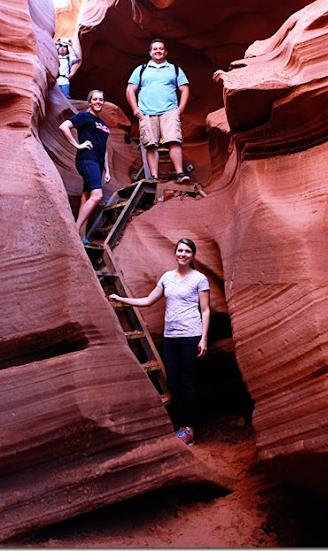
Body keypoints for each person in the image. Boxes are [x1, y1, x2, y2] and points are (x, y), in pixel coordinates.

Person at [110, 238, 210, 446]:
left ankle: (189, 429)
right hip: (170, 337)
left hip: (190, 335)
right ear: (175, 253)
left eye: (187, 251)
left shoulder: (199, 279)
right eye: (180, 250)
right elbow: (147, 300)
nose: (183, 254)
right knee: (173, 381)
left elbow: (205, 310)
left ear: (193, 255)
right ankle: (182, 425)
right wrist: (121, 299)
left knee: (189, 382)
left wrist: (204, 339)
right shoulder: (167, 278)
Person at [126, 38, 190, 183]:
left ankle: (180, 173)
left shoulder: (174, 69)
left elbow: (184, 89)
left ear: (165, 52)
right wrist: (135, 109)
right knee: (151, 144)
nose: (158, 51)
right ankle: (154, 176)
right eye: (155, 49)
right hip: (147, 112)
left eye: (161, 48)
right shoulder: (141, 70)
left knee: (174, 140)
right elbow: (130, 89)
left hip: (169, 111)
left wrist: (180, 109)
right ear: (150, 52)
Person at [58, 90, 111, 241]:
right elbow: (64, 126)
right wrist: (77, 145)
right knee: (97, 195)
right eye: (95, 99)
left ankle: (82, 236)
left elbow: (104, 148)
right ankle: (74, 230)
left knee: (86, 196)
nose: (98, 102)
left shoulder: (103, 124)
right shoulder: (84, 117)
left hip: (98, 163)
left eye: (101, 99)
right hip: (87, 159)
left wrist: (107, 170)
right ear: (89, 102)